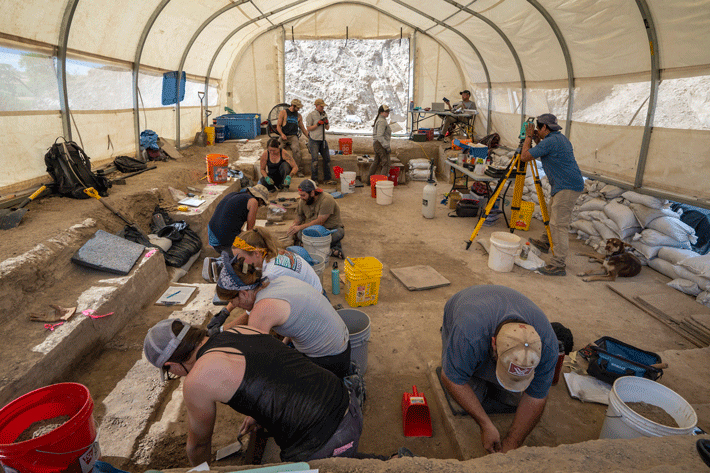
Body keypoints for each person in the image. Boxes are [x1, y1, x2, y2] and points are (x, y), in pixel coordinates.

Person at [143, 318, 362, 466]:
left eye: (171, 373)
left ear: (171, 365)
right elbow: (272, 367)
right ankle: (385, 461)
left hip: (326, 441)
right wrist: (259, 412)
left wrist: (200, 470)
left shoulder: (196, 381)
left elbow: (199, 445)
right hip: (348, 402)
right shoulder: (240, 330)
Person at [439, 285, 557, 454]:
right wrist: (485, 424)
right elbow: (451, 379)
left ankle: (490, 373)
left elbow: (536, 397)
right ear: (494, 343)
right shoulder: (469, 333)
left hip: (490, 317)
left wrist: (511, 444)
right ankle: (472, 365)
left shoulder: (547, 345)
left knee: (514, 399)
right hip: (466, 309)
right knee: (472, 394)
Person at [214, 254, 351, 378]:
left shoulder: (262, 310)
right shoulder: (277, 281)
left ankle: (343, 386)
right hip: (342, 347)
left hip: (329, 360)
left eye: (233, 301)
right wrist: (284, 345)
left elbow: (257, 361)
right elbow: (297, 322)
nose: (235, 306)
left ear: (243, 293)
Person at [208, 227, 326, 328]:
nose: (239, 263)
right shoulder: (271, 253)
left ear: (257, 253)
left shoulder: (271, 274)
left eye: (241, 259)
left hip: (315, 309)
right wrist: (225, 311)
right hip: (314, 292)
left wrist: (224, 329)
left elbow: (254, 312)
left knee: (264, 314)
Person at [521, 113, 584, 276]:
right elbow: (545, 149)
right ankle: (545, 242)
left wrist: (528, 137)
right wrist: (536, 140)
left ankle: (558, 264)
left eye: (538, 127)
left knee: (558, 224)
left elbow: (524, 156)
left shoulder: (550, 141)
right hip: (565, 184)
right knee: (550, 215)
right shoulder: (558, 138)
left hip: (567, 186)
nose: (536, 130)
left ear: (544, 127)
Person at [288, 179, 345, 259]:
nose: (301, 198)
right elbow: (300, 216)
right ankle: (330, 250)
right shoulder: (302, 201)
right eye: (300, 195)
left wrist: (300, 227)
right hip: (311, 230)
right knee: (299, 233)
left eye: (303, 195)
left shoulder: (327, 199)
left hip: (329, 230)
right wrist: (294, 226)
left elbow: (320, 222)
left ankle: (308, 246)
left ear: (312, 193)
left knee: (339, 233)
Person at [207, 184, 269, 254]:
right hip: (223, 238)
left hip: (212, 235)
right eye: (262, 204)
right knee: (248, 254)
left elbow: (230, 221)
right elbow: (250, 231)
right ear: (260, 199)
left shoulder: (234, 194)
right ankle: (224, 259)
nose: (260, 206)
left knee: (241, 237)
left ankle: (226, 256)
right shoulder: (253, 202)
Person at [305, 99, 336, 184]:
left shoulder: (324, 114)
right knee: (315, 160)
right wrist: (317, 124)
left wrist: (326, 123)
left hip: (322, 140)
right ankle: (314, 180)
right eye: (321, 106)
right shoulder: (311, 115)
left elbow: (327, 128)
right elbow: (308, 128)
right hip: (314, 140)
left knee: (327, 159)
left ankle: (327, 179)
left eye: (323, 106)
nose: (322, 108)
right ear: (316, 106)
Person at [277, 99, 309, 176]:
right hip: (284, 134)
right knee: (278, 148)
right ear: (293, 106)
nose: (298, 109)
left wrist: (310, 137)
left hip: (293, 136)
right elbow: (278, 126)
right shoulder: (283, 113)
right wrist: (282, 134)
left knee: (296, 150)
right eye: (297, 108)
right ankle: (277, 169)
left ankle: (297, 170)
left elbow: (303, 129)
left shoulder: (298, 116)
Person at [368, 104, 392, 185]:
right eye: (386, 112)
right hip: (381, 144)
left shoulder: (381, 120)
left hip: (377, 144)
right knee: (386, 164)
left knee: (376, 162)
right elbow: (380, 136)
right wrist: (386, 146)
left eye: (388, 111)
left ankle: (369, 181)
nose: (388, 113)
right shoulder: (382, 121)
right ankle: (381, 184)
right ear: (381, 112)